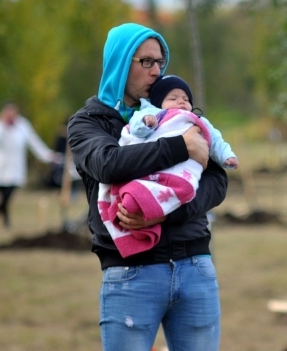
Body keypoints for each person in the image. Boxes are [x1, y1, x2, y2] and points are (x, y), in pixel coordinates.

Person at [67, 22, 228, 351]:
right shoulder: (90, 123)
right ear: (121, 64)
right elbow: (108, 163)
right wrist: (180, 147)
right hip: (131, 274)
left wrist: (166, 210)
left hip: (195, 266)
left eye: (161, 61)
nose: (157, 70)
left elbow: (217, 178)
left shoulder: (179, 115)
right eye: (146, 61)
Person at [98, 74, 238, 258]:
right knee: (132, 196)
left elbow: (216, 139)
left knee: (183, 187)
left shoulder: (196, 120)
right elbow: (135, 128)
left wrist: (227, 156)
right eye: (173, 98)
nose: (181, 102)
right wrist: (146, 123)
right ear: (158, 102)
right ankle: (136, 206)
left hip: (182, 172)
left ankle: (151, 207)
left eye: (186, 99)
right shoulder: (153, 114)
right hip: (152, 172)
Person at [0, 102, 59, 228]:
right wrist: (3, 125)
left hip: (15, 168)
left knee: (7, 195)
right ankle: (4, 222)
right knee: (4, 197)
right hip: (0, 168)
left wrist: (48, 156)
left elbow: (34, 142)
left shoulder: (22, 125)